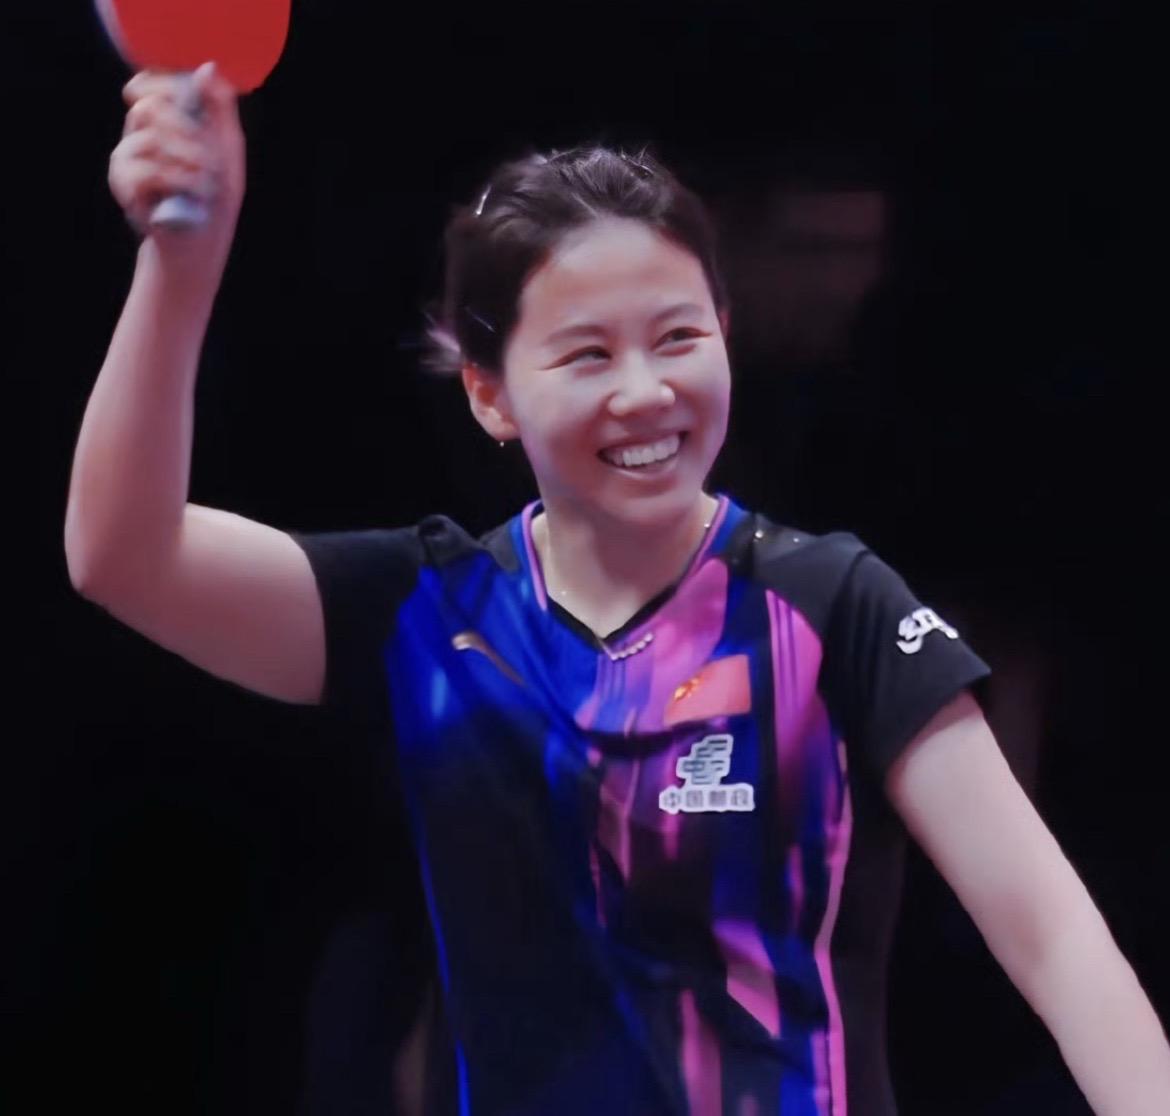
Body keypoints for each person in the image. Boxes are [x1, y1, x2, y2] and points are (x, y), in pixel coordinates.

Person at [65, 64, 1170, 1116]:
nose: (645, 391)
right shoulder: (424, 612)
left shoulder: (835, 608)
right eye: (587, 355)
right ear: (491, 394)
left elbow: (1051, 935)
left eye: (678, 337)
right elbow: (121, 554)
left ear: (725, 336)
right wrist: (181, 265)